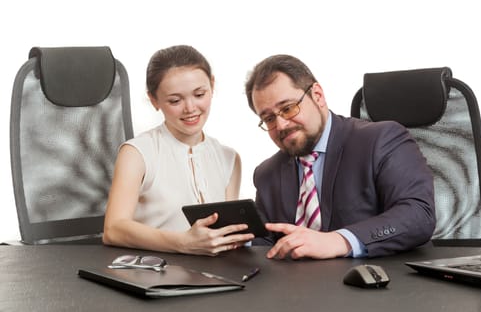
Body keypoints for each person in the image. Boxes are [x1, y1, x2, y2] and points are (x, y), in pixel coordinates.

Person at [245, 54, 436, 259]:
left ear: (317, 95)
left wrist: (338, 240)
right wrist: (233, 240)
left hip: (375, 284)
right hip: (298, 288)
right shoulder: (267, 174)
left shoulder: (380, 140)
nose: (281, 125)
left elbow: (418, 214)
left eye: (288, 108)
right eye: (269, 118)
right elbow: (267, 242)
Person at [103, 45, 254, 255]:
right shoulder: (137, 153)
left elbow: (227, 233)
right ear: (154, 100)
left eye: (199, 94)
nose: (190, 108)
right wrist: (182, 242)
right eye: (175, 100)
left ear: (212, 85)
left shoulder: (229, 158)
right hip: (154, 274)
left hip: (217, 276)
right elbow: (113, 229)